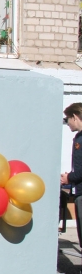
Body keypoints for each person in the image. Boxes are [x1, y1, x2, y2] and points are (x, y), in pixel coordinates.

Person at [62, 103, 82, 264]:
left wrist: (69, 178)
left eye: (67, 119)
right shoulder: (79, 137)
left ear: (75, 116)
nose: (67, 123)